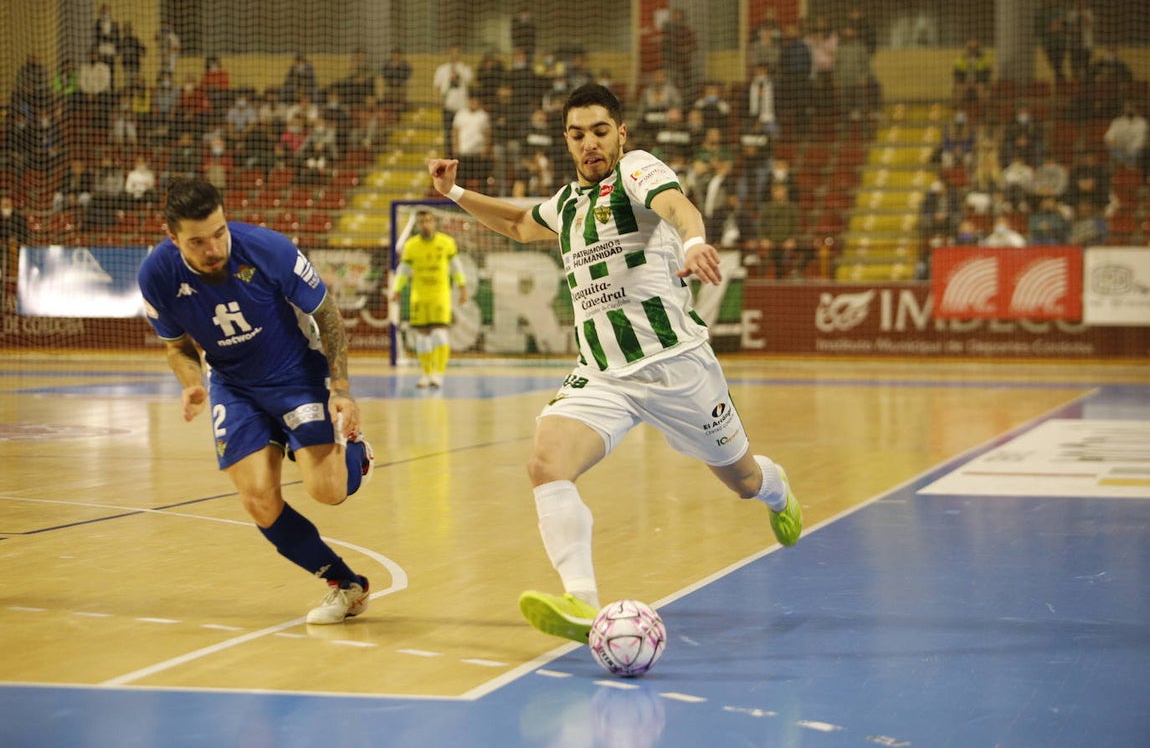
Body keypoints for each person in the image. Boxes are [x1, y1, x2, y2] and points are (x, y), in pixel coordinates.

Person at [426, 84, 802, 644]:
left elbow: (676, 206)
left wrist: (694, 240)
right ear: (567, 141)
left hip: (676, 366)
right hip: (603, 373)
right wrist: (453, 190)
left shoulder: (636, 172)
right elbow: (518, 223)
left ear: (620, 134)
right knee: (546, 464)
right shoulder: (566, 204)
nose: (590, 143)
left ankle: (776, 489)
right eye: (578, 134)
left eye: (601, 131)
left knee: (742, 478)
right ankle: (581, 602)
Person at [137, 178, 376, 624]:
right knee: (258, 499)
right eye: (198, 241)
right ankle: (347, 585)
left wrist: (340, 389)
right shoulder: (157, 275)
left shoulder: (269, 249)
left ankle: (357, 453)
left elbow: (328, 315)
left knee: (327, 491)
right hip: (233, 385)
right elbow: (178, 347)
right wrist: (191, 382)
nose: (214, 248)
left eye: (219, 232)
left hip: (295, 376)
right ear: (173, 240)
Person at [390, 210, 468, 389]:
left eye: (428, 220)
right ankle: (425, 374)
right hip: (419, 297)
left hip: (440, 295)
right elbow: (403, 270)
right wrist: (396, 289)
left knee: (439, 334)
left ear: (434, 222)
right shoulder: (411, 246)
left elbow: (456, 267)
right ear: (418, 224)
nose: (425, 224)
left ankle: (438, 375)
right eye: (422, 221)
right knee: (422, 337)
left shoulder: (446, 243)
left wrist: (463, 288)